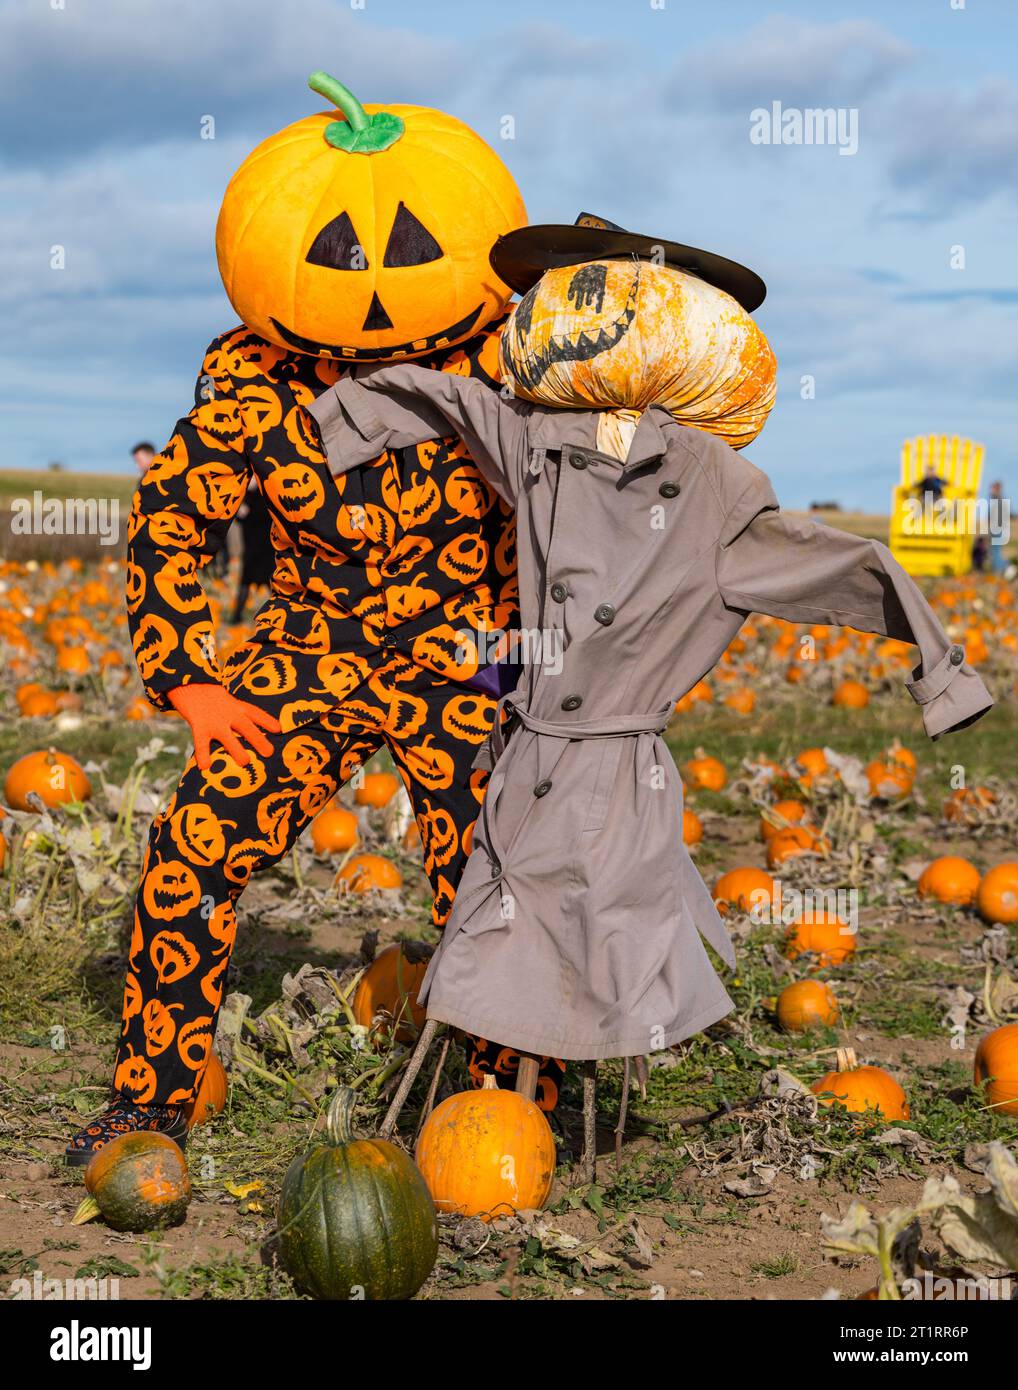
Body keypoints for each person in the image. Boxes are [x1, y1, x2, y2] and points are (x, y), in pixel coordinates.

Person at [308, 214, 994, 1067]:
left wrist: (942, 673)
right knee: (512, 909)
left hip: (615, 761)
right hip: (529, 747)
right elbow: (442, 399)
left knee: (603, 924)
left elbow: (845, 566)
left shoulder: (714, 491)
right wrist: (325, 433)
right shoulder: (538, 443)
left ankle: (552, 1091)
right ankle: (488, 1090)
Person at [64, 72, 562, 1164]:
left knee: (499, 872)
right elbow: (171, 513)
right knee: (188, 850)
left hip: (470, 652)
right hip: (312, 645)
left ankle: (511, 1101)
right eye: (342, 250)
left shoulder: (512, 357)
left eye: (410, 245)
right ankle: (159, 1092)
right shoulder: (254, 376)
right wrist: (187, 677)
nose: (378, 286)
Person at [230, 478, 274, 623]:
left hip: (265, 546)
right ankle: (236, 615)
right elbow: (239, 517)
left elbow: (265, 516)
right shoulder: (246, 494)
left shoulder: (265, 493)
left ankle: (276, 614)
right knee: (246, 579)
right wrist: (240, 512)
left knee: (270, 581)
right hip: (251, 546)